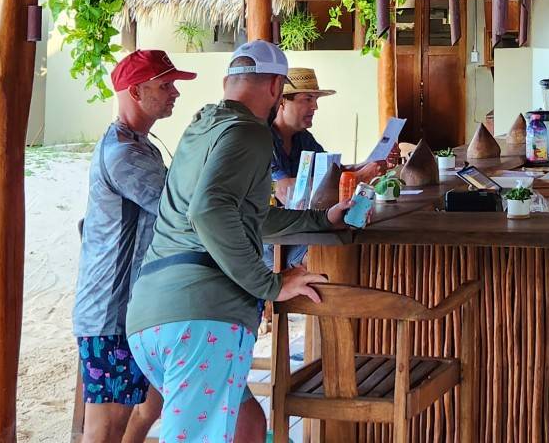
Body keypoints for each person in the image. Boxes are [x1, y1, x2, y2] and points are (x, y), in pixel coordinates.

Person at [126, 40, 351, 443]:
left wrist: (319, 220)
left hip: (151, 313)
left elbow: (244, 214)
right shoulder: (250, 132)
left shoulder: (202, 127)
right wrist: (272, 284)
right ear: (275, 88)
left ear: (229, 80)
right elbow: (209, 212)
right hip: (200, 319)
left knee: (247, 425)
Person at [73, 49, 190, 443]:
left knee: (148, 409)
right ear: (136, 91)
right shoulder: (124, 153)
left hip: (132, 309)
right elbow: (179, 211)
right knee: (104, 432)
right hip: (112, 314)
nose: (175, 93)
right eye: (165, 85)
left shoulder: (138, 144)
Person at [269, 66, 387, 205]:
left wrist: (371, 165)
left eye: (315, 100)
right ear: (282, 101)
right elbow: (283, 191)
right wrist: (358, 176)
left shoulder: (303, 138)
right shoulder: (261, 139)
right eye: (308, 99)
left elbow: (332, 172)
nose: (315, 107)